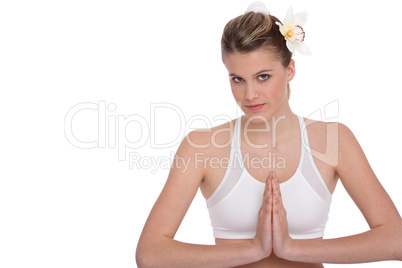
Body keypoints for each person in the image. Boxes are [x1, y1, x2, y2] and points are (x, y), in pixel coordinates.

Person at [136, 2, 402, 267]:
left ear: (290, 70)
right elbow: (150, 253)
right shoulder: (201, 147)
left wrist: (292, 248)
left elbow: (395, 240)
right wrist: (253, 250)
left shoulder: (333, 141)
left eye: (263, 76)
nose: (249, 94)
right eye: (237, 79)